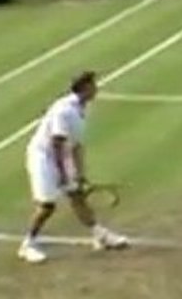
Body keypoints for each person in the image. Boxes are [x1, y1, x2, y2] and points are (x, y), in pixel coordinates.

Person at [18, 72, 128, 264]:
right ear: (85, 88)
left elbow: (76, 146)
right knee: (47, 206)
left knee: (77, 196)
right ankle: (28, 244)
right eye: (93, 85)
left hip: (60, 155)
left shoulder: (81, 110)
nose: (97, 88)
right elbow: (57, 143)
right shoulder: (65, 110)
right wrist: (62, 174)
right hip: (43, 157)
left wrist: (79, 173)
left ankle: (100, 235)